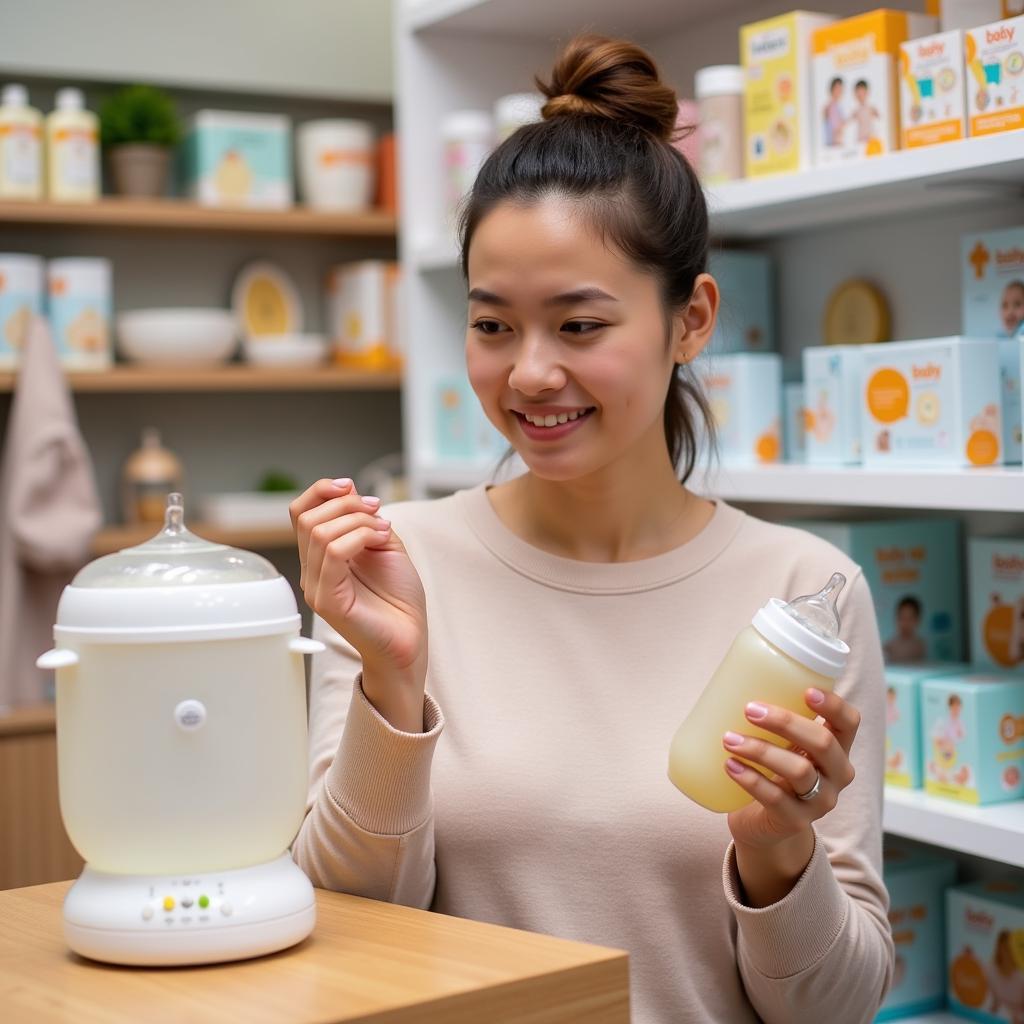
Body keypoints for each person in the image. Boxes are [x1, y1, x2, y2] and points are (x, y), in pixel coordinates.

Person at [289, 35, 893, 1024]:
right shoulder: (395, 566)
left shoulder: (804, 593)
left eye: (578, 325)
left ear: (690, 318)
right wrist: (392, 687)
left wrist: (778, 851)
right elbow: (342, 936)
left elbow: (835, 1008)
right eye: (492, 325)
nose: (528, 374)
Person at [883, 595, 928, 664]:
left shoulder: (919, 645)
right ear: (896, 619)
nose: (905, 623)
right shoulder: (889, 645)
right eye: (902, 618)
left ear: (917, 621)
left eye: (910, 619)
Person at [851, 79, 880, 144]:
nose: (860, 95)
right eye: (858, 93)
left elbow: (879, 118)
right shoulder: (856, 110)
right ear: (855, 94)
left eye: (862, 93)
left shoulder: (871, 108)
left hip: (870, 138)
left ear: (867, 93)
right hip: (860, 139)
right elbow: (849, 121)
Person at [824, 76, 846, 147]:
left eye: (841, 89)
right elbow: (836, 129)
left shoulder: (837, 106)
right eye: (837, 88)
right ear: (832, 89)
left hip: (836, 143)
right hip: (834, 144)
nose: (839, 91)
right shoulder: (831, 107)